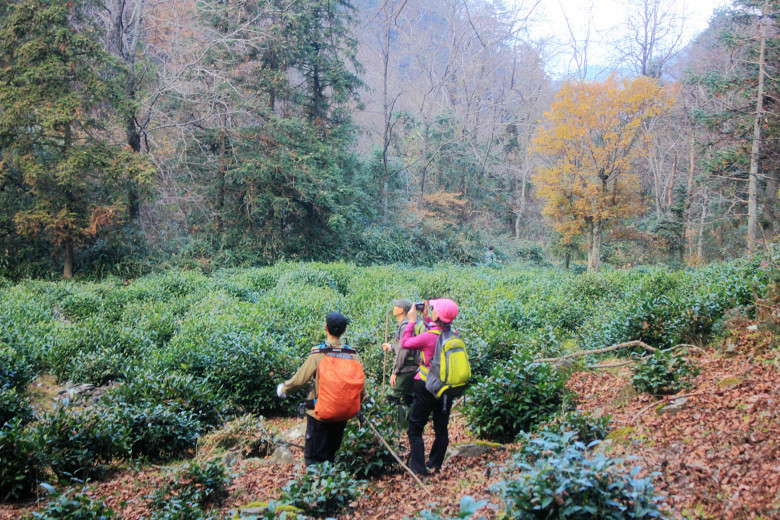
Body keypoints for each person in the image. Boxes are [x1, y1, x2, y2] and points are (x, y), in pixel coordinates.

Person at [276, 312, 365, 466]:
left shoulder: (318, 354)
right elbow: (362, 386)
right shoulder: (352, 355)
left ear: (326, 328)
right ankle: (330, 485)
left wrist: (283, 389)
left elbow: (299, 380)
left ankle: (316, 487)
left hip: (320, 414)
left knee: (314, 459)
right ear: (344, 331)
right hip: (342, 414)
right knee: (331, 455)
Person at [400, 298, 460, 476]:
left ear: (438, 315)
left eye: (434, 308)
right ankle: (435, 464)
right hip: (447, 388)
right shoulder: (454, 334)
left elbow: (406, 343)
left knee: (415, 428)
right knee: (441, 427)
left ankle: (419, 471)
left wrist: (411, 322)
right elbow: (436, 333)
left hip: (426, 386)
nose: (431, 309)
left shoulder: (428, 337)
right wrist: (426, 319)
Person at [382, 298, 425, 424]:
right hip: (416, 367)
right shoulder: (415, 322)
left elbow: (404, 351)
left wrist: (395, 372)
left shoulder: (406, 325)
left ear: (401, 310)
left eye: (396, 306)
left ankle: (399, 427)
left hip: (406, 368)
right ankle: (410, 425)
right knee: (409, 397)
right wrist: (392, 347)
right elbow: (407, 346)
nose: (394, 307)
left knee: (392, 396)